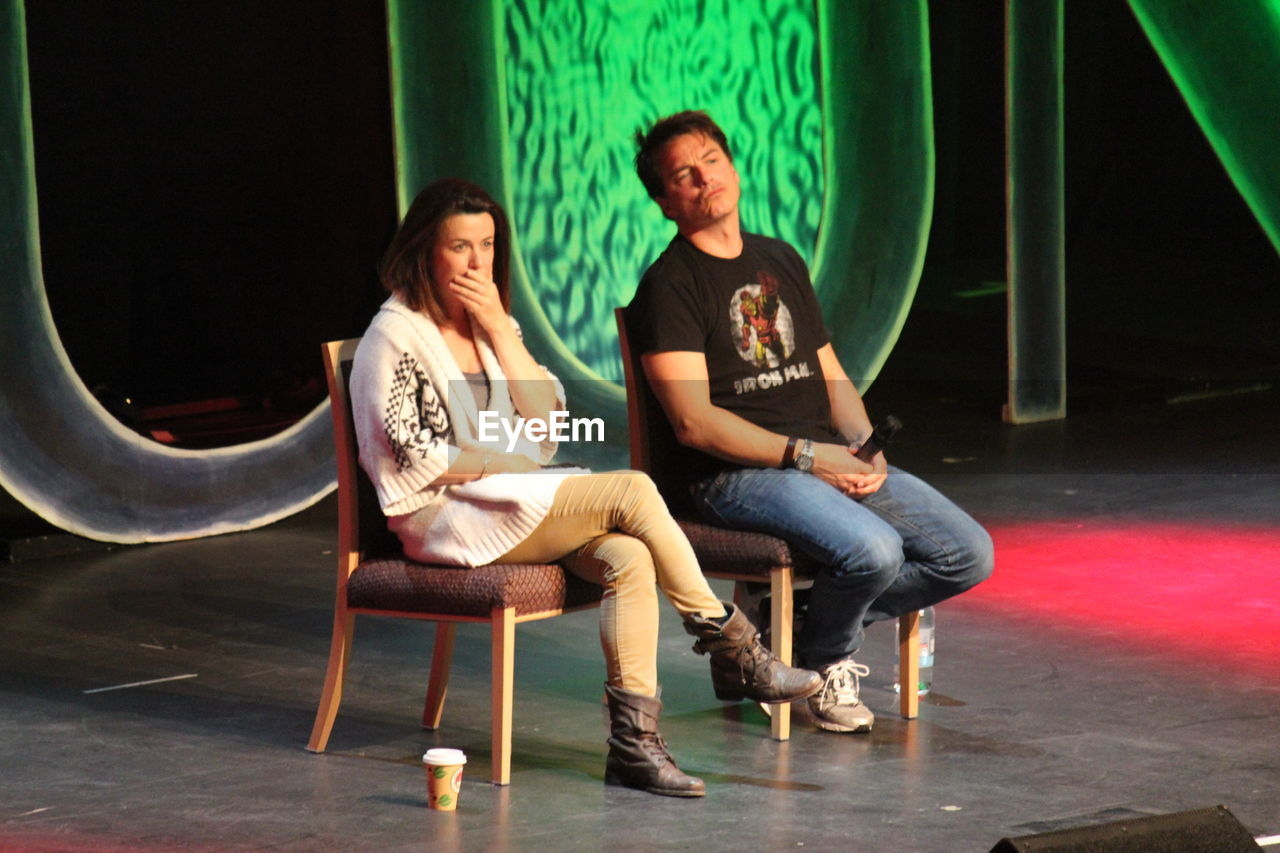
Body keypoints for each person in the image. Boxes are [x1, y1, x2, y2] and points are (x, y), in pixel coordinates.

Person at [350, 178, 820, 797]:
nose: (476, 262)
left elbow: (545, 424)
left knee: (628, 556)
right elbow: (407, 452)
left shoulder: (488, 324)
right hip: (444, 516)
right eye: (459, 247)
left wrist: (499, 327)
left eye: (486, 245)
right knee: (631, 491)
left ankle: (634, 748)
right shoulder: (395, 335)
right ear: (423, 252)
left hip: (510, 501)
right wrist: (498, 465)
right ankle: (733, 646)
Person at [626, 111, 994, 734]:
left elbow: (828, 373)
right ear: (666, 202)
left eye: (711, 160)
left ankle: (781, 636)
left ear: (733, 168)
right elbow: (693, 423)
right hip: (734, 475)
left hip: (815, 456)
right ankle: (824, 664)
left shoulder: (780, 259)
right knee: (873, 551)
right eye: (683, 175)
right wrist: (807, 456)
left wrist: (863, 444)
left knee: (967, 554)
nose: (704, 177)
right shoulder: (671, 285)